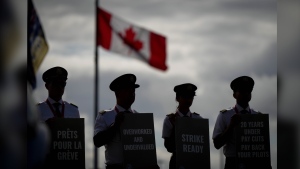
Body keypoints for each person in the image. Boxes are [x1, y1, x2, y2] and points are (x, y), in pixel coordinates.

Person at [212, 76, 268, 169]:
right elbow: (217, 144)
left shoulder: (258, 116)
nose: (246, 93)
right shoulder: (225, 115)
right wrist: (231, 126)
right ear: (234, 94)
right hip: (233, 162)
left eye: (249, 90)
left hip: (254, 163)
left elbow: (263, 146)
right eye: (242, 91)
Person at [162, 83, 203, 169]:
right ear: (177, 98)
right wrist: (175, 127)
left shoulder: (198, 119)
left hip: (194, 160)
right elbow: (169, 147)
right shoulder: (169, 120)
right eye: (185, 97)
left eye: (191, 97)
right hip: (177, 160)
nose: (188, 100)